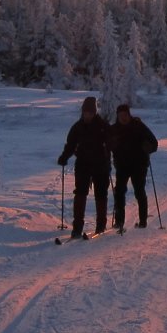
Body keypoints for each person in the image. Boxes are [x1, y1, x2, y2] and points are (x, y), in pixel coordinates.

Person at [57, 96, 110, 238]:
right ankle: (77, 227)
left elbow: (112, 143)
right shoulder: (77, 127)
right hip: (83, 165)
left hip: (101, 165)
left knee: (101, 195)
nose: (88, 115)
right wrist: (64, 157)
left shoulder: (103, 126)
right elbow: (70, 145)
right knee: (80, 194)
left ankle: (101, 225)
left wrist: (111, 156)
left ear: (94, 112)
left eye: (90, 112)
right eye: (86, 112)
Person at [107, 102, 158, 230]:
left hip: (139, 165)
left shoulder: (138, 126)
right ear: (117, 116)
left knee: (139, 191)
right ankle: (119, 222)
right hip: (122, 165)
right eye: (120, 115)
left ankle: (142, 221)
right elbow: (106, 145)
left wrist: (148, 147)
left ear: (129, 115)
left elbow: (154, 143)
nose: (123, 117)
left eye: (125, 115)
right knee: (119, 192)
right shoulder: (114, 129)